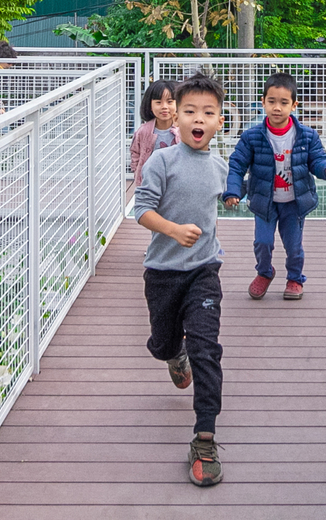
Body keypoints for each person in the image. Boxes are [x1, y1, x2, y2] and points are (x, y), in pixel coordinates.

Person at [132, 70, 229, 487]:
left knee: (207, 350)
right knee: (164, 343)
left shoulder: (221, 167)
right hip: (162, 272)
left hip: (204, 270)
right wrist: (172, 230)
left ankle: (204, 437)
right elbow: (141, 209)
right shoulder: (162, 161)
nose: (198, 119)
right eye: (190, 111)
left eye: (207, 112)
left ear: (220, 121)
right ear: (177, 117)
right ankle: (173, 354)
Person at [224, 72, 326, 301]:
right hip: (264, 201)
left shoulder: (307, 136)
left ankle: (295, 278)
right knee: (262, 242)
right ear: (263, 102)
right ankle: (264, 272)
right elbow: (237, 165)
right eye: (272, 101)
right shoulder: (252, 137)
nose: (277, 108)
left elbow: (316, 160)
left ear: (294, 105)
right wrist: (233, 191)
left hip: (294, 202)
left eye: (284, 102)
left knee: (294, 246)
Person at [129, 79, 179, 189]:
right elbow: (135, 153)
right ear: (150, 105)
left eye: (170, 102)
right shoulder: (143, 131)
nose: (164, 106)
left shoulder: (183, 130)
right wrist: (137, 172)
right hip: (150, 185)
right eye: (158, 102)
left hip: (177, 185)